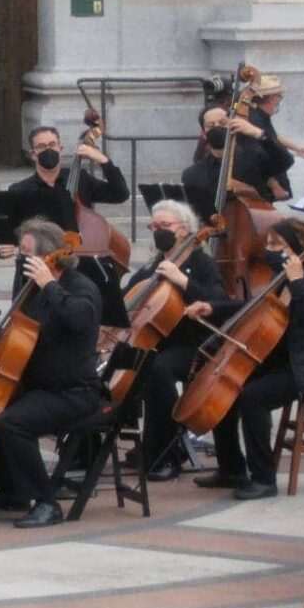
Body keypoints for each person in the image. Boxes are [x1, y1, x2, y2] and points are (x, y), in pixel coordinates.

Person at [0, 218, 102, 528]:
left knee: (12, 422)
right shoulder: (32, 288)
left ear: (48, 256)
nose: (20, 258)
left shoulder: (80, 287)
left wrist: (50, 285)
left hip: (72, 390)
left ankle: (46, 501)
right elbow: (13, 332)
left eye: (25, 253)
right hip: (36, 383)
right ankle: (10, 489)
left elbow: (80, 320)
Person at [191, 219, 304, 499]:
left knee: (252, 396)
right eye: (268, 244)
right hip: (281, 359)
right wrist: (212, 307)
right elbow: (252, 306)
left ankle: (264, 478)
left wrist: (298, 283)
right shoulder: (280, 277)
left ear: (296, 248)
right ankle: (232, 468)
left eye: (276, 245)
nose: (269, 250)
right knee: (226, 386)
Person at [120, 200, 229, 481]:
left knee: (157, 370)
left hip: (193, 345)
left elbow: (218, 302)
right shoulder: (154, 264)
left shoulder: (200, 262)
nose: (158, 231)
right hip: (157, 342)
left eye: (164, 226)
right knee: (126, 365)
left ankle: (168, 452)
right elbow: (130, 296)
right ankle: (111, 445)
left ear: (184, 230)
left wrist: (182, 281)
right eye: (154, 226)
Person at [3, 125, 130, 327]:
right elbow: (10, 236)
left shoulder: (81, 180)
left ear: (61, 148)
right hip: (39, 267)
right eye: (42, 146)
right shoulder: (19, 191)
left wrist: (102, 160)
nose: (48, 150)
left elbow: (120, 193)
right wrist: (6, 247)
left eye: (52, 144)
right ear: (33, 154)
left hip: (80, 264)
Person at [182, 104, 271, 213]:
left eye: (222, 123)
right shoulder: (191, 174)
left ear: (233, 125)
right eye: (211, 125)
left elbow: (284, 160)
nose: (217, 127)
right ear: (204, 134)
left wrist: (258, 133)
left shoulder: (254, 158)